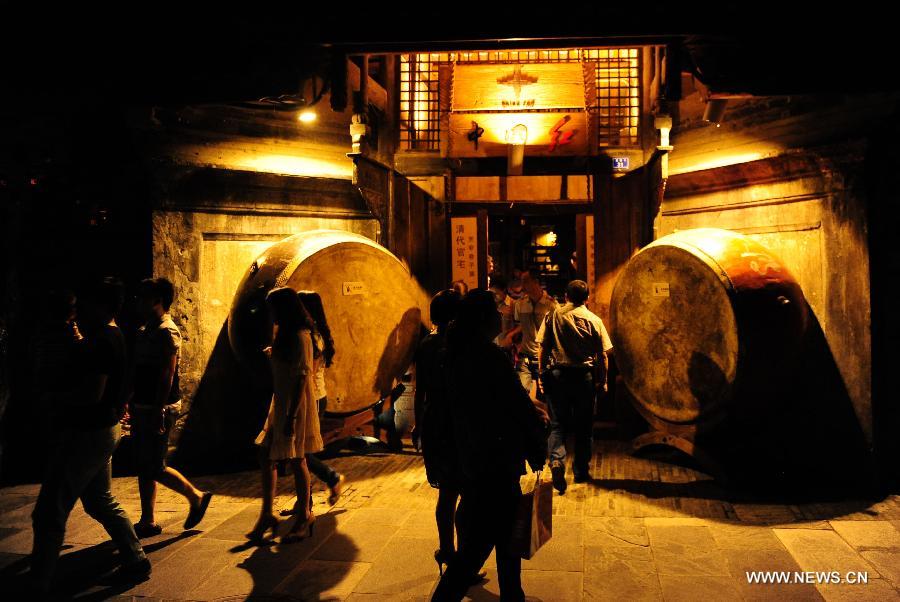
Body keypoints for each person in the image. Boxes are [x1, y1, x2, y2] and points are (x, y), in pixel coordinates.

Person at [30, 281, 150, 593]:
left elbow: (90, 394)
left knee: (49, 512)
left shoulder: (102, 342)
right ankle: (136, 559)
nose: (81, 308)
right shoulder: (113, 336)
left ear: (105, 306)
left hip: (87, 432)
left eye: (89, 303)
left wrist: (54, 399)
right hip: (104, 428)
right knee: (99, 500)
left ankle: (38, 584)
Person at [432, 290, 548, 602]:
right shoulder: (489, 357)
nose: (501, 316)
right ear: (484, 319)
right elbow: (516, 407)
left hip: (472, 460)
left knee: (502, 544)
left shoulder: (454, 355)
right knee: (476, 553)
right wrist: (538, 442)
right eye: (496, 312)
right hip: (497, 462)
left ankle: (513, 596)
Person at [131, 278, 211, 538]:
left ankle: (196, 496)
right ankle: (148, 519)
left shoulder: (167, 330)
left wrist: (157, 409)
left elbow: (167, 373)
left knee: (154, 464)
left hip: (160, 405)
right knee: (145, 464)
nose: (137, 302)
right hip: (145, 403)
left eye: (143, 297)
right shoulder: (147, 329)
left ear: (157, 300)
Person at [248, 287, 323, 543]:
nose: (270, 314)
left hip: (295, 405)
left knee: (298, 457)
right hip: (280, 401)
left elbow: (303, 376)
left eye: (274, 309)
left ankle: (304, 514)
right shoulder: (285, 333)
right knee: (266, 454)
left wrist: (291, 418)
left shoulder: (301, 336)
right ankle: (267, 514)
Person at [537, 280, 613, 493]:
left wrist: (542, 374)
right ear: (587, 298)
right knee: (584, 426)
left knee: (558, 424)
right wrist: (603, 380)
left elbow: (543, 348)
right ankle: (580, 470)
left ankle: (557, 462)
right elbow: (603, 356)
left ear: (566, 296)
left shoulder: (553, 316)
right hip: (584, 377)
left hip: (558, 375)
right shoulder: (594, 320)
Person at [412, 290, 462, 575]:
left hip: (434, 420)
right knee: (465, 490)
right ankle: (463, 555)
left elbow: (420, 391)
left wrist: (418, 424)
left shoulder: (426, 345)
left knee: (446, 493)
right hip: (458, 420)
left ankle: (447, 549)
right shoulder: (461, 346)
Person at [290, 291, 345, 509]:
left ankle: (332, 478)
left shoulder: (311, 336)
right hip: (315, 396)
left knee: (299, 453)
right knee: (300, 452)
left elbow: (307, 373)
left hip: (311, 397)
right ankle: (305, 501)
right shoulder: (315, 333)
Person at [506, 269, 558, 399]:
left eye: (526, 281)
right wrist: (511, 337)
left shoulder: (552, 305)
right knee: (521, 395)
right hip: (525, 356)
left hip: (546, 358)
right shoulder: (520, 303)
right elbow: (520, 326)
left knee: (546, 397)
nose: (522, 285)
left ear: (536, 282)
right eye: (521, 281)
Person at [488, 275, 515, 361]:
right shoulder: (490, 305)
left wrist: (510, 336)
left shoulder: (513, 304)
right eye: (491, 294)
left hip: (506, 348)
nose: (494, 296)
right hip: (491, 348)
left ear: (503, 290)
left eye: (496, 293)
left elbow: (522, 325)